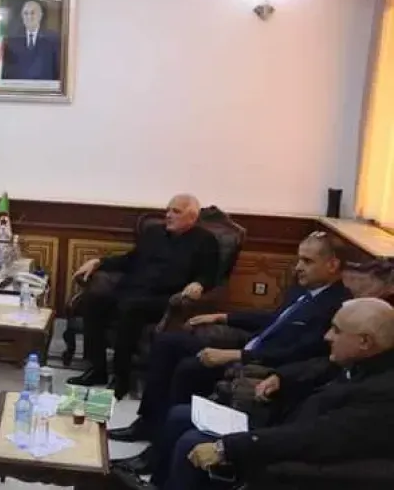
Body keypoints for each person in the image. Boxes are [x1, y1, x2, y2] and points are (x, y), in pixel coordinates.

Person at [114, 297, 394, 490]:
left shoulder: (381, 393)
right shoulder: (359, 360)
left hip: (294, 458)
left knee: (192, 440)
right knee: (180, 415)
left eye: (336, 331)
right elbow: (317, 366)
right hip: (281, 425)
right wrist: (281, 377)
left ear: (364, 341)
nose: (327, 337)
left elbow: (314, 437)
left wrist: (228, 447)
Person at [110, 231, 351, 453]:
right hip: (248, 349)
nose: (298, 268)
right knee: (167, 343)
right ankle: (147, 423)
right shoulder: (302, 290)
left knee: (189, 368)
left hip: (261, 365)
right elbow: (273, 319)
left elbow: (298, 353)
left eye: (307, 261)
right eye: (299, 260)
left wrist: (235, 355)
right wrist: (223, 316)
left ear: (332, 265)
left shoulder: (336, 307)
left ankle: (161, 447)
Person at [67, 194, 219, 397]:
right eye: (168, 210)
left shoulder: (206, 241)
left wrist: (199, 284)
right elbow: (130, 259)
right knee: (94, 300)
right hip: (131, 289)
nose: (168, 215)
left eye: (176, 211)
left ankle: (122, 376)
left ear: (192, 217)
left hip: (164, 299)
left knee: (131, 309)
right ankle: (97, 369)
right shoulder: (154, 232)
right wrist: (99, 262)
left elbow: (210, 275)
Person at [1, 0, 62, 81]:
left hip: (45, 86)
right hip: (19, 86)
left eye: (33, 13)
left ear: (40, 15)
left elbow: (58, 68)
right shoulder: (12, 39)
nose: (29, 17)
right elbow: (7, 70)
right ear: (22, 16)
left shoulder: (52, 39)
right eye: (26, 13)